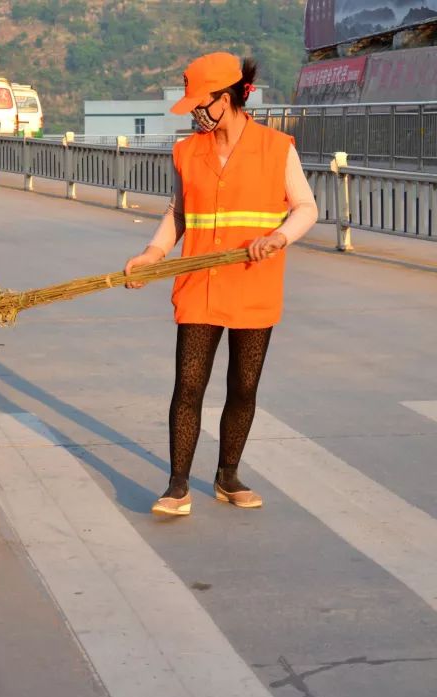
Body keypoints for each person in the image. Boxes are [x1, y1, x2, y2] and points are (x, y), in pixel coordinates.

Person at [124, 52, 317, 517]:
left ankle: (228, 475)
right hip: (199, 284)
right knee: (188, 386)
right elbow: (177, 213)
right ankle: (176, 485)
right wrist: (153, 254)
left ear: (227, 97)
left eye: (200, 104)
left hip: (254, 283)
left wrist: (278, 237)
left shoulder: (276, 147)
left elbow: (306, 208)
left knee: (243, 387)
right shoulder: (188, 152)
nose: (194, 113)